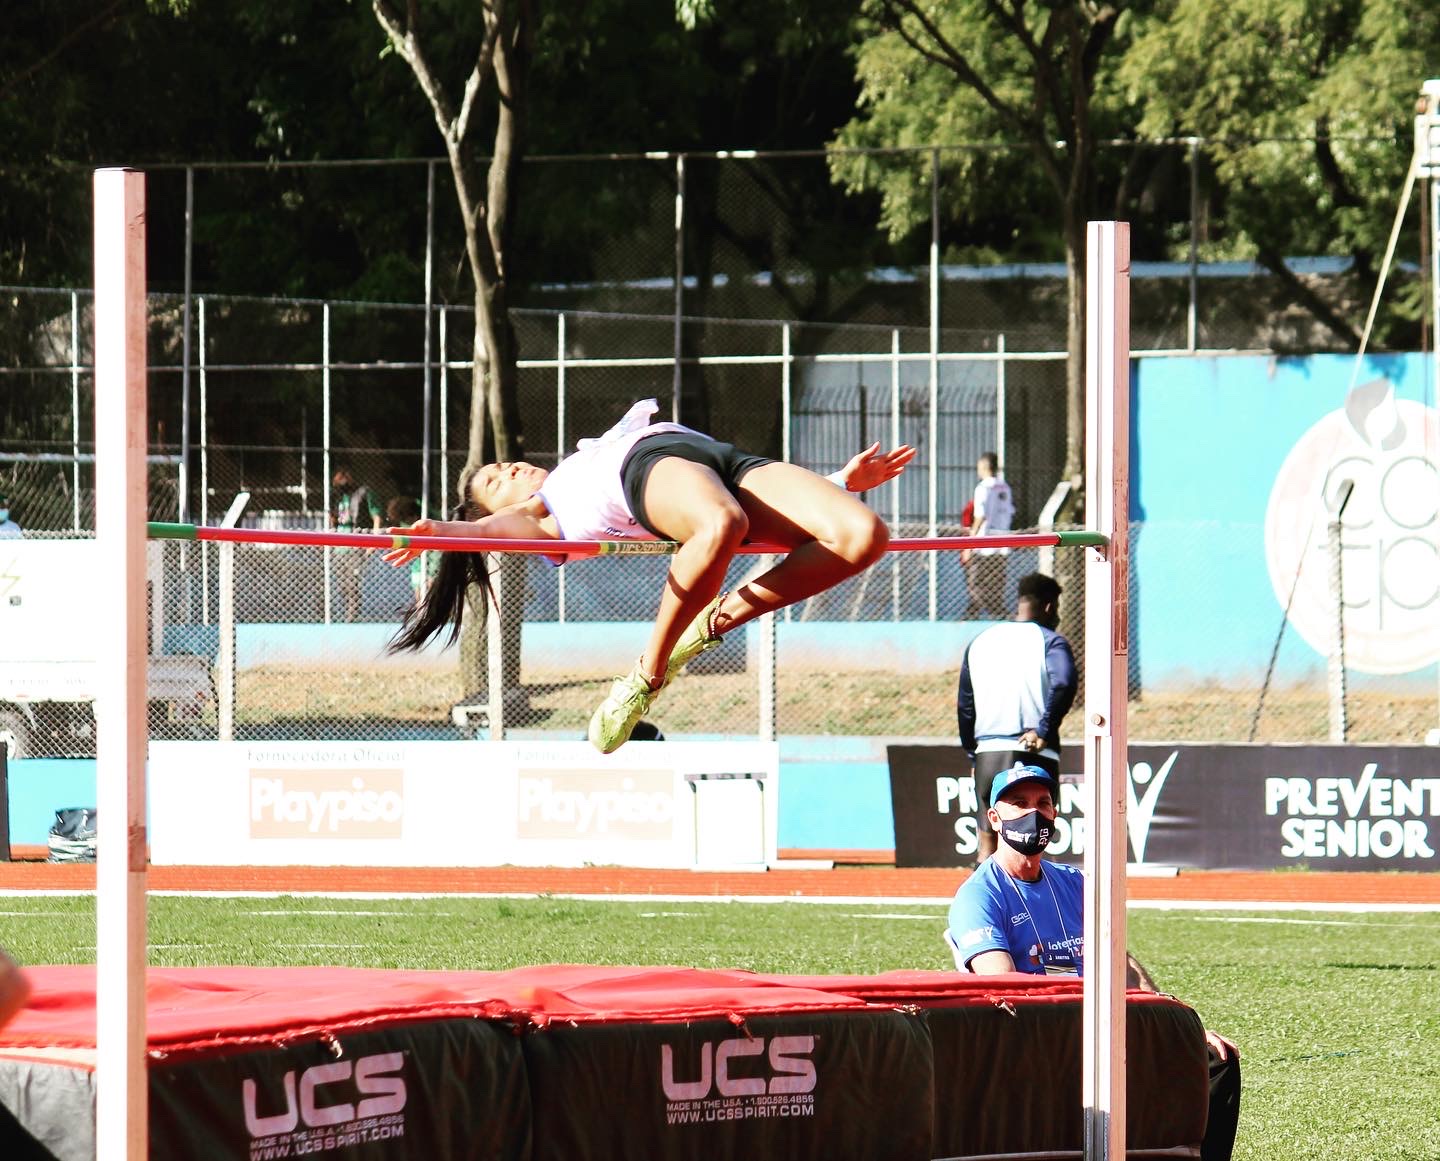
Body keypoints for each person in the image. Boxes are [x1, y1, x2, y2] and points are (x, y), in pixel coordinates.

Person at [382, 399, 915, 752]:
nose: (511, 470)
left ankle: (712, 622)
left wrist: (841, 480)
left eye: (504, 464)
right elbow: (495, 529)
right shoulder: (544, 517)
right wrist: (443, 530)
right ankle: (647, 673)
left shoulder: (573, 462)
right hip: (646, 468)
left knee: (865, 535)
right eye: (496, 482)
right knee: (721, 524)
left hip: (716, 458)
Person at [947, 764, 1241, 1161]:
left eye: (1043, 803)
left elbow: (1121, 961)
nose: (1032, 813)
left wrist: (1171, 1019)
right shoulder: (979, 896)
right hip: (1042, 1034)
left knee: (1213, 1060)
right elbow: (1006, 989)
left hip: (1101, 1022)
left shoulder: (1074, 882)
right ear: (995, 819)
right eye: (1018, 804)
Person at [957, 571, 1076, 863]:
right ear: (1050, 606)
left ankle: (982, 906)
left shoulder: (981, 640)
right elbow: (1064, 682)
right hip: (1033, 748)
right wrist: (1044, 728)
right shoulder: (1050, 641)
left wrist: (974, 753)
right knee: (1032, 850)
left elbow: (965, 705)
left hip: (988, 751)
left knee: (987, 847)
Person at [960, 451, 1013, 618]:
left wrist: (969, 544)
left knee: (976, 584)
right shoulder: (1004, 486)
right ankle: (986, 613)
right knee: (996, 585)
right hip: (1002, 543)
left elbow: (980, 516)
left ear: (983, 466)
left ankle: (984, 614)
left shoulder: (983, 487)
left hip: (984, 545)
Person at [331, 468, 381, 620]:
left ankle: (352, 616)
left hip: (355, 543)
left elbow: (376, 516)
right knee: (342, 584)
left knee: (353, 583)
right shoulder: (338, 497)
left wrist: (375, 540)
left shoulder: (362, 494)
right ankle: (348, 613)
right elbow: (333, 519)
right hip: (339, 546)